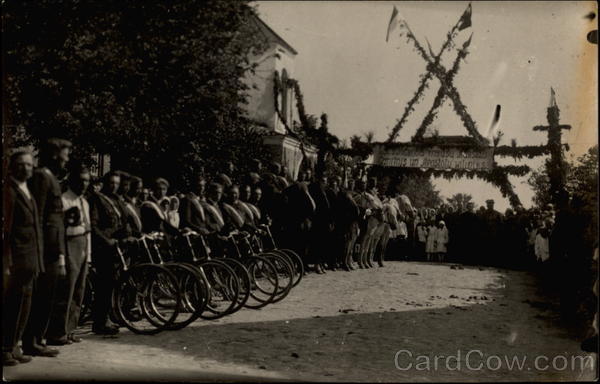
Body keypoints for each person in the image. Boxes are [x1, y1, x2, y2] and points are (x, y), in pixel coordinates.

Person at [23, 138, 72, 358]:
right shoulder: (42, 176)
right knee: (42, 296)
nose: (67, 159)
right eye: (65, 154)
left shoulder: (51, 177)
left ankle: (36, 339)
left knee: (47, 296)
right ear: (54, 154)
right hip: (47, 250)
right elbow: (40, 217)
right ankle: (32, 341)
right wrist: (41, 252)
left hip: (53, 248)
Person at [3, 151, 44, 366]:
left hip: (30, 259)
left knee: (24, 303)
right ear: (13, 166)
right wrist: (6, 261)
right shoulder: (9, 191)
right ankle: (5, 349)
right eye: (23, 164)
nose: (28, 168)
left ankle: (15, 345)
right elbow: (6, 230)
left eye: (30, 165)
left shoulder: (26, 189)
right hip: (17, 260)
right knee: (12, 305)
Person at [46, 163, 91, 345]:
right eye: (81, 181)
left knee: (79, 292)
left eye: (87, 181)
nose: (84, 184)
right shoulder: (64, 200)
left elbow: (88, 232)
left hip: (83, 246)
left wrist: (89, 257)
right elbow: (61, 231)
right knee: (66, 291)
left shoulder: (85, 202)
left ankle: (70, 330)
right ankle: (57, 332)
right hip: (69, 245)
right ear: (72, 181)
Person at [87, 171, 126, 335]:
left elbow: (123, 222)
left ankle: (109, 316)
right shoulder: (97, 199)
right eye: (111, 183)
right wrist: (106, 240)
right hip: (104, 248)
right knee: (104, 285)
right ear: (104, 183)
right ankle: (100, 322)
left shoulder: (117, 200)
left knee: (113, 284)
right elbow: (94, 225)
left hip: (117, 247)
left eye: (117, 183)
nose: (114, 186)